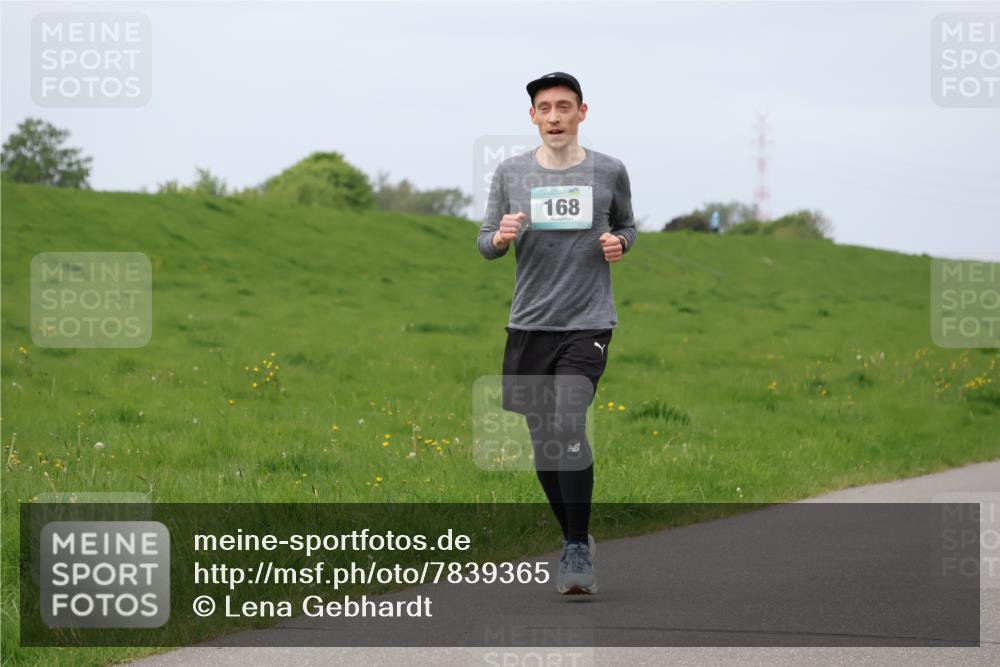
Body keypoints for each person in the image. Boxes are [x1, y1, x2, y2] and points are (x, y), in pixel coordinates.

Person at [476, 72, 637, 595]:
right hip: (529, 323)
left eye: (564, 107)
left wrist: (620, 243)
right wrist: (500, 238)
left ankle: (573, 551)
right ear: (532, 116)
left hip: (588, 321)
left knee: (569, 422)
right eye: (544, 108)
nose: (554, 117)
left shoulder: (610, 170)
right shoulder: (510, 172)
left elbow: (629, 226)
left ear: (582, 112)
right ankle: (577, 534)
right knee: (545, 442)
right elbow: (484, 240)